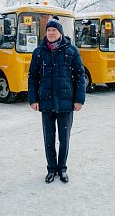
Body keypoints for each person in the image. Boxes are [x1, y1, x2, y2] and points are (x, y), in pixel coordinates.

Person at [28, 16, 86, 184]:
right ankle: (51, 169)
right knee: (49, 137)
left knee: (64, 138)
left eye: (54, 30)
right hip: (45, 102)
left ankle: (62, 168)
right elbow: (33, 77)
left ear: (60, 32)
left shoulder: (71, 51)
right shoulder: (39, 52)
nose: (51, 33)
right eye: (48, 30)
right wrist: (33, 99)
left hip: (66, 103)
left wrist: (79, 99)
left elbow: (79, 76)